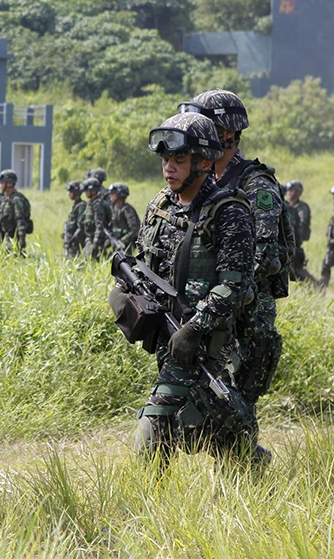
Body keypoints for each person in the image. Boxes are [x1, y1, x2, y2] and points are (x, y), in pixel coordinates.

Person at [129, 112, 259, 462]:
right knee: (203, 423)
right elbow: (143, 260)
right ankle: (244, 457)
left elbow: (235, 284)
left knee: (153, 428)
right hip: (165, 336)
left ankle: (148, 505)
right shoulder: (160, 205)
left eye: (179, 160)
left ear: (203, 163)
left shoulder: (228, 211)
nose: (169, 168)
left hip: (204, 340)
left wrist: (192, 329)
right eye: (166, 160)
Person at [179, 90, 293, 413]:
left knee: (233, 403)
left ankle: (247, 461)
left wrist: (224, 291)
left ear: (228, 133)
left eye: (206, 125)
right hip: (211, 305)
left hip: (247, 313)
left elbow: (262, 255)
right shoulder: (203, 184)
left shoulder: (256, 185)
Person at [283, 180, 319, 286]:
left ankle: (315, 285)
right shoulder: (287, 205)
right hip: (290, 239)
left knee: (296, 267)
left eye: (292, 190)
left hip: (296, 238)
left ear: (298, 192)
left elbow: (302, 223)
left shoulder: (302, 207)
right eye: (288, 190)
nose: (289, 192)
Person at [0, 169, 32, 253]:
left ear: (10, 183)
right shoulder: (4, 199)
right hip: (7, 236)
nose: (0, 185)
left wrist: (21, 238)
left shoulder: (16, 200)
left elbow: (20, 220)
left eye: (2, 182)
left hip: (14, 237)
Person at [81, 177, 112, 260]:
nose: (85, 192)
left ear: (93, 190)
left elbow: (100, 226)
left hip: (98, 242)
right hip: (90, 239)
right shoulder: (90, 203)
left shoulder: (98, 205)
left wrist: (95, 243)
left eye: (87, 190)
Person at [106, 182, 140, 255]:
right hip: (117, 243)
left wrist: (123, 240)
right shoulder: (115, 209)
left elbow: (134, 229)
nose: (110, 196)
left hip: (126, 245)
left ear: (119, 195)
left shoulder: (127, 210)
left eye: (113, 194)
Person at [63, 181, 86, 258]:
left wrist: (73, 239)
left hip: (77, 240)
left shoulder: (81, 206)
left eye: (71, 192)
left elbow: (81, 226)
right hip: (72, 238)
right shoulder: (75, 205)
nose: (69, 194)